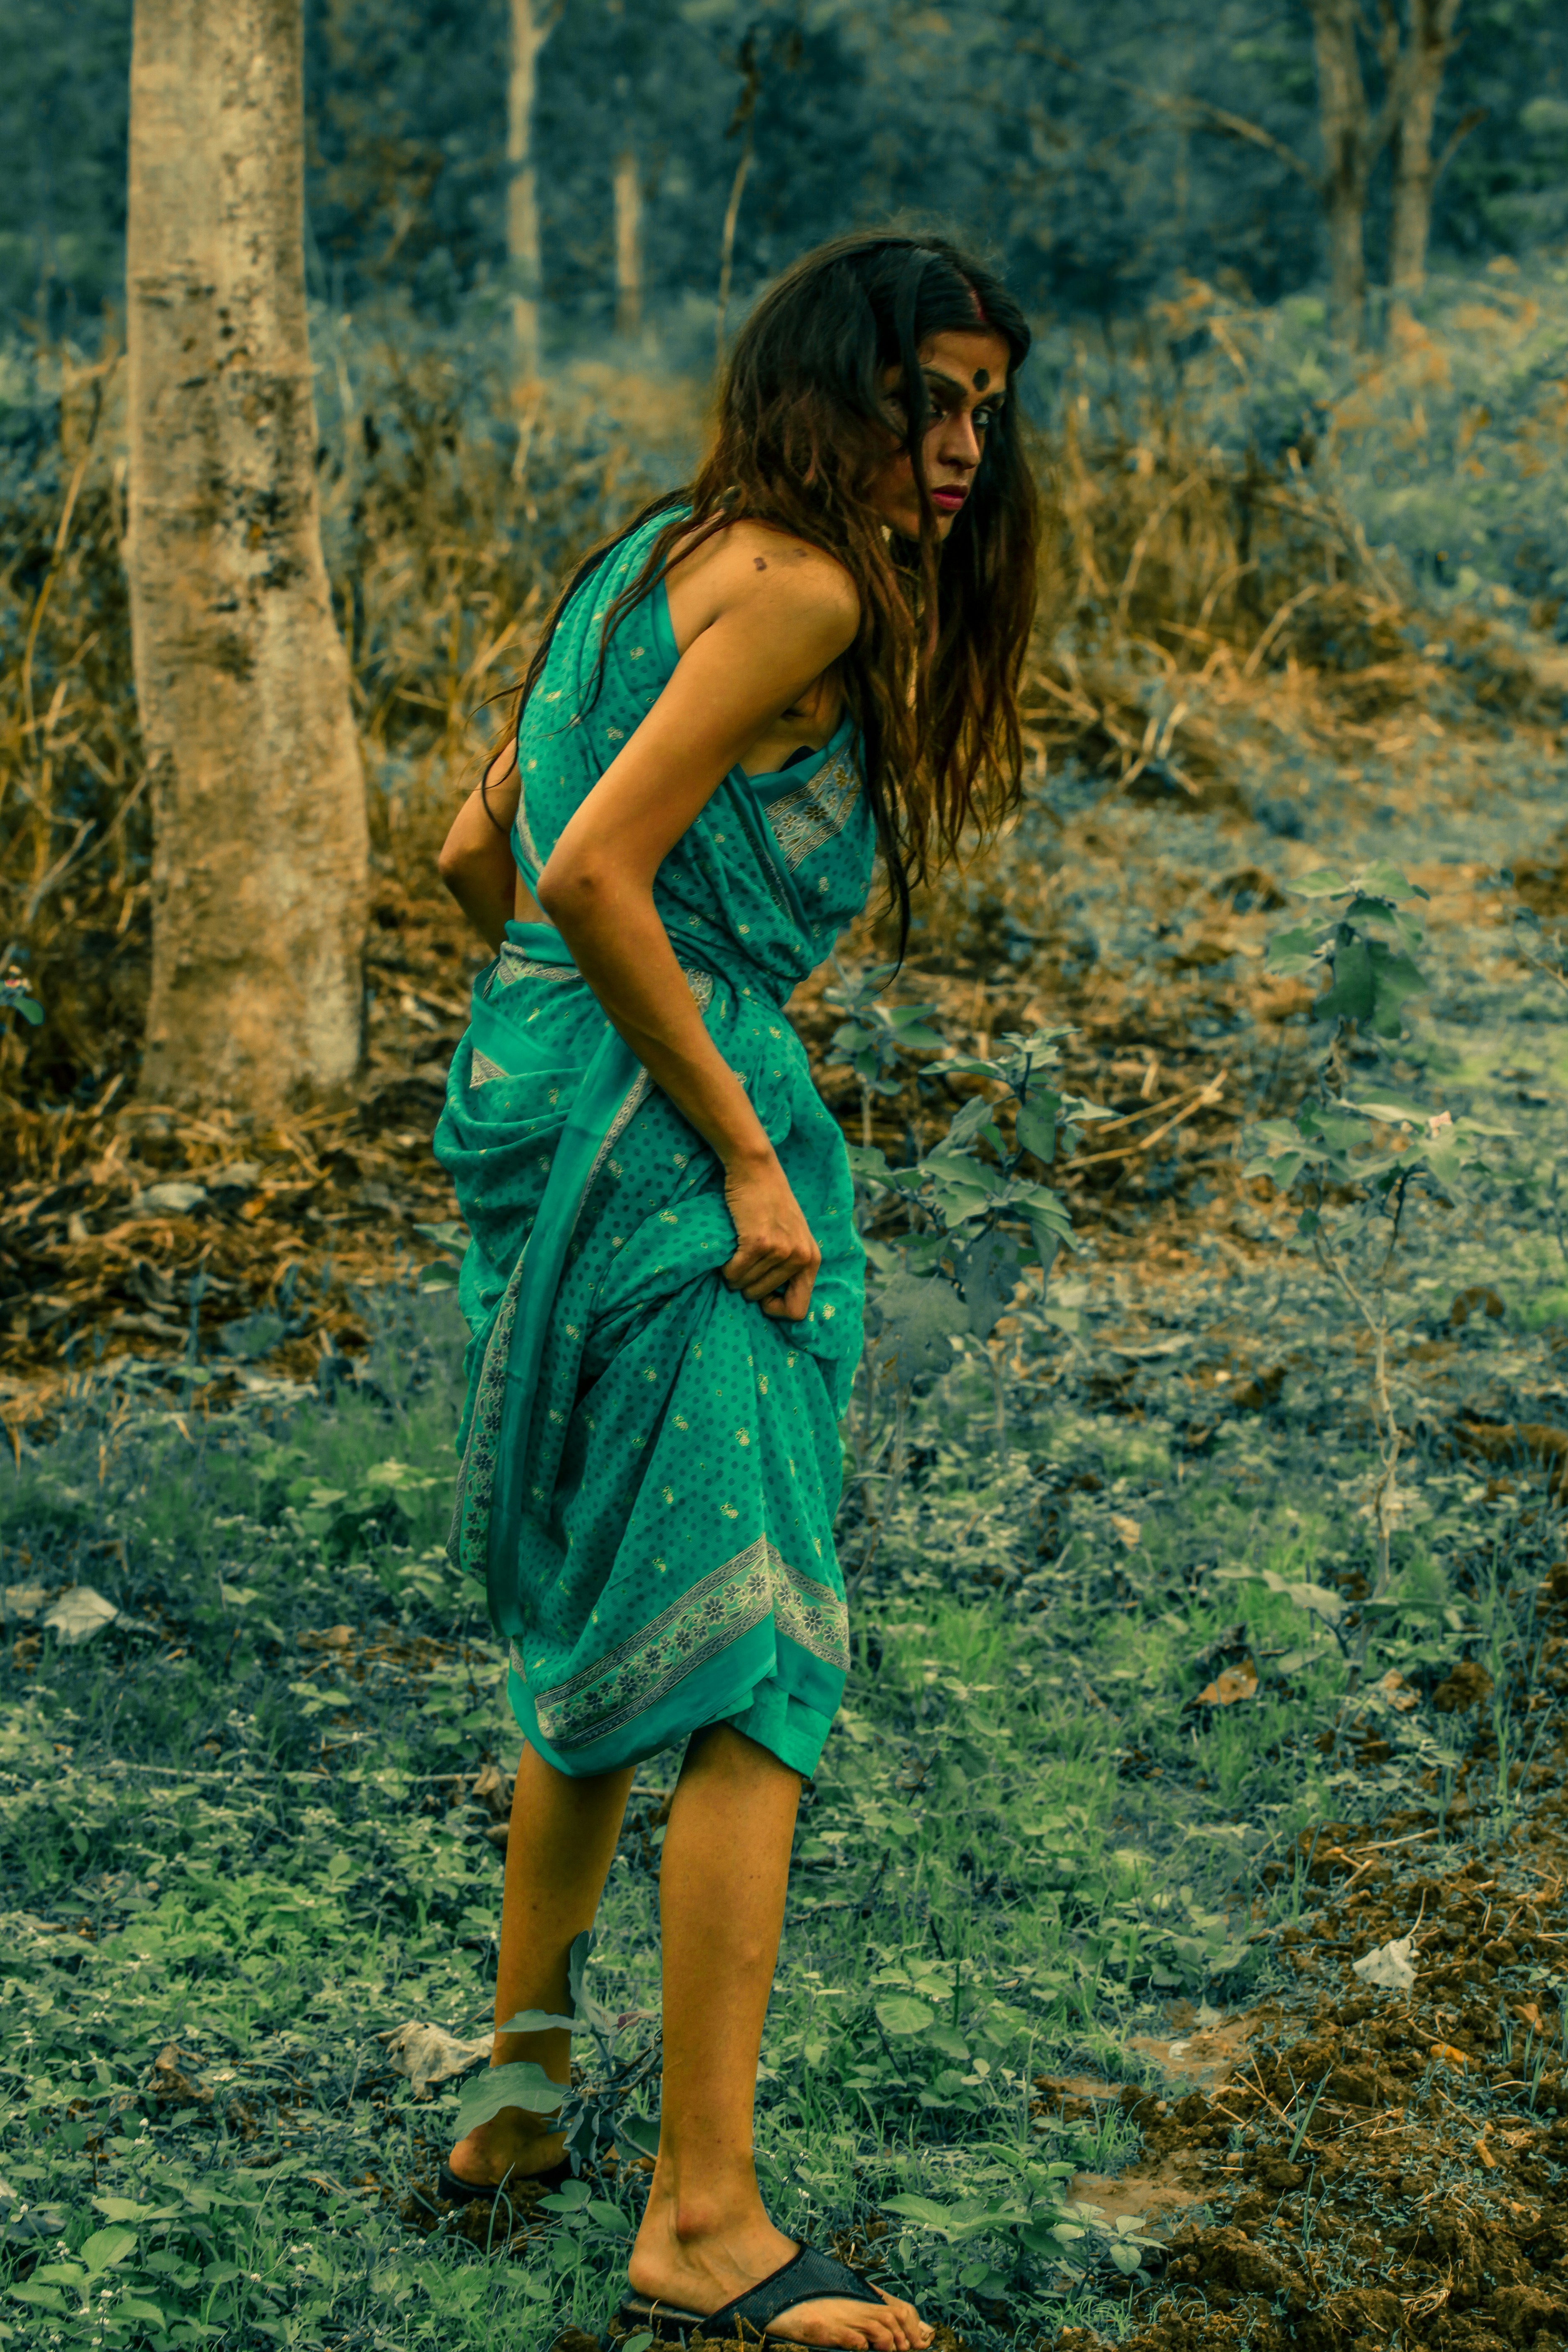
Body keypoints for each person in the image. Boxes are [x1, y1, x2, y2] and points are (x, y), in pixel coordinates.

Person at [432, 232, 1038, 2349]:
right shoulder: (805, 591)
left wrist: (585, 1034)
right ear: (829, 389)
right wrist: (738, 1137)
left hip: (544, 1111)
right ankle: (702, 2219)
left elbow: (481, 860)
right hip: (676, 1159)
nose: (961, 445)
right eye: (925, 399)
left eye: (985, 407)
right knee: (753, 1659)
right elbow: (596, 871)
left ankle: (516, 2109)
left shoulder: (651, 561)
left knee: (604, 1619)